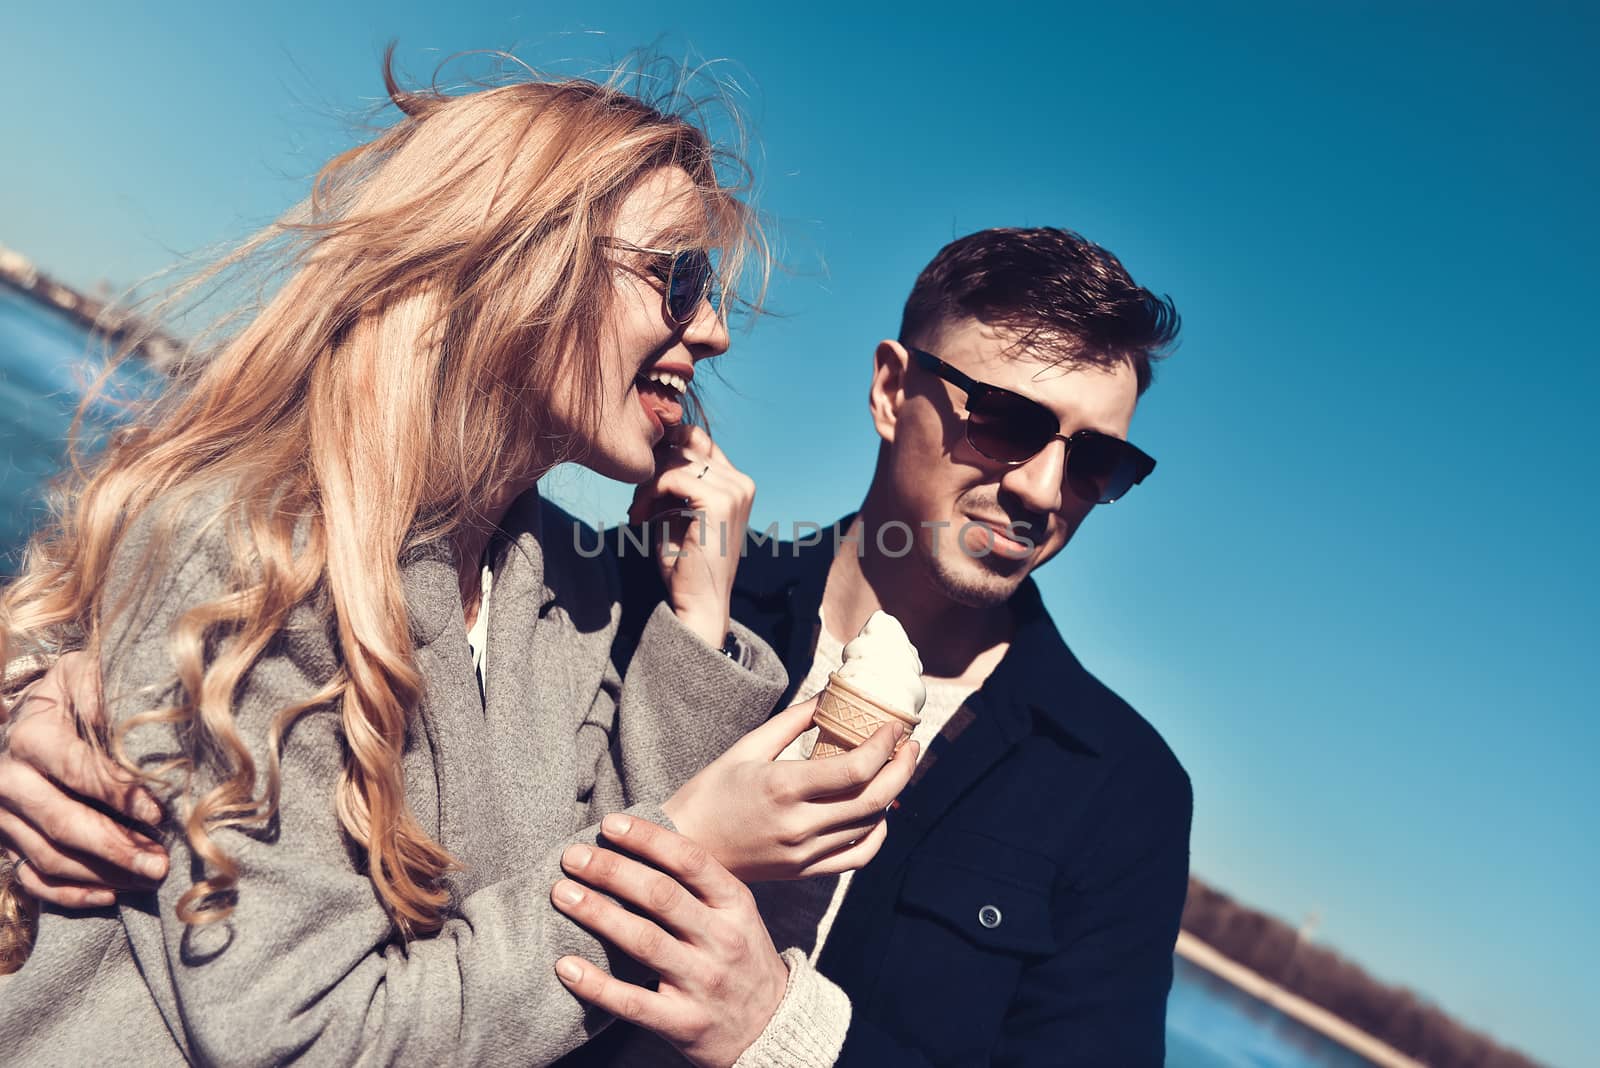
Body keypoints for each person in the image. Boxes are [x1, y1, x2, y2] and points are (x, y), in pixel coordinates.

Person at [0, 55, 917, 1067]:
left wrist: (694, 623)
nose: (712, 332)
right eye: (679, 278)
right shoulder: (252, 555)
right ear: (520, 260)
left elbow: (556, 947)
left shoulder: (568, 595)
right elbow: (308, 1039)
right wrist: (692, 846)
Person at [563, 226, 1193, 1066]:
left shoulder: (1123, 791)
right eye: (1005, 420)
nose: (1042, 491)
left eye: (1094, 461)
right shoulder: (660, 589)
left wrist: (778, 1029)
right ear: (892, 391)